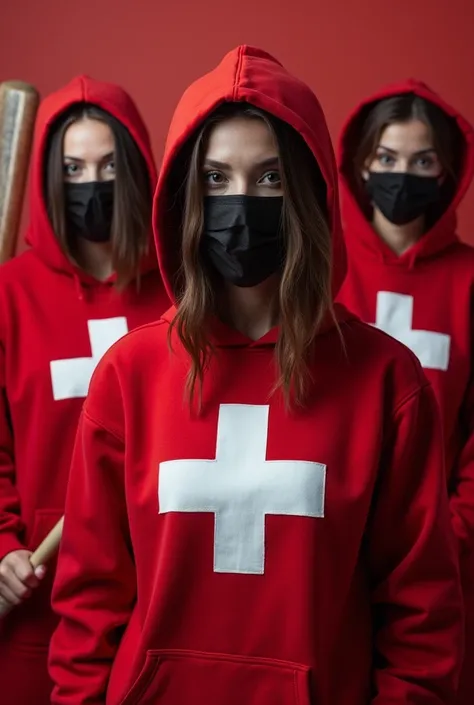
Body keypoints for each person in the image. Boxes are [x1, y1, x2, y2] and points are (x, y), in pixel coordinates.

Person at [49, 48, 463, 705]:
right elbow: (89, 598)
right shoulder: (129, 373)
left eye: (269, 179)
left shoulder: (387, 379)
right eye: (216, 179)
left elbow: (422, 615)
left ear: (306, 194)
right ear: (185, 195)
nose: (241, 204)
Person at [0, 75, 168, 705]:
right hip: (41, 595)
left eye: (105, 166)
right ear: (48, 177)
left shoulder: (183, 293)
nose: (89, 186)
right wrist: (5, 546)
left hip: (155, 585)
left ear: (136, 171)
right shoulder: (9, 296)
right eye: (72, 168)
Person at [336, 80, 474, 705]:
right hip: (334, 542)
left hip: (443, 554)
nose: (402, 176)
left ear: (447, 172)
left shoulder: (470, 280)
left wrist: (446, 532)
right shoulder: (324, 272)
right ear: (361, 164)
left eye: (422, 162)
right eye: (387, 159)